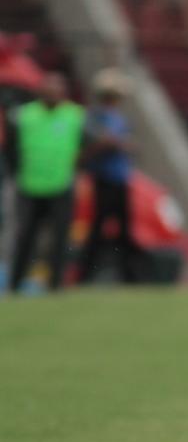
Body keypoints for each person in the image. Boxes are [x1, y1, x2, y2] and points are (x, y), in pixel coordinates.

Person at [6, 72, 87, 292]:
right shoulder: (24, 115)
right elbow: (11, 149)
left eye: (58, 89)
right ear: (41, 91)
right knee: (25, 238)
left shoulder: (75, 115)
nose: (54, 94)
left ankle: (55, 286)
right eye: (49, 89)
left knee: (60, 239)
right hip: (29, 186)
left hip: (61, 185)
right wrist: (16, 175)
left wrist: (78, 169)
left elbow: (87, 146)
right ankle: (15, 285)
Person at [79, 67, 142, 283]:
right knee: (97, 229)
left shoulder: (120, 119)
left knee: (124, 230)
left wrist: (123, 145)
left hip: (120, 179)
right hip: (103, 178)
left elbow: (128, 144)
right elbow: (91, 147)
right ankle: (85, 276)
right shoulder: (94, 117)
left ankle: (129, 277)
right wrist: (109, 144)